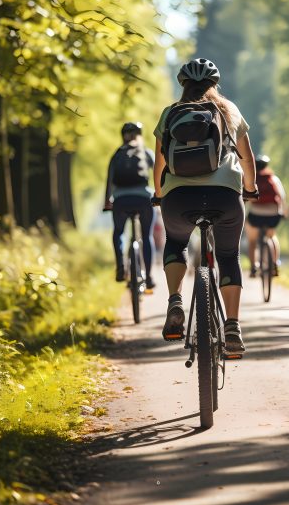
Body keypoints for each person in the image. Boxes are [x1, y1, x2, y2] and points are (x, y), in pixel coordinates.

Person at [152, 57, 258, 355]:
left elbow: (160, 161)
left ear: (183, 85)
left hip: (178, 197)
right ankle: (233, 327)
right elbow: (247, 159)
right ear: (215, 84)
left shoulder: (171, 113)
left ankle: (175, 301)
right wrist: (249, 189)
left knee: (175, 241)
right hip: (224, 196)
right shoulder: (228, 110)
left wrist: (160, 195)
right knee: (227, 255)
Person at [103, 121, 156, 290]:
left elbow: (109, 181)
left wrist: (107, 201)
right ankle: (148, 277)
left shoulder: (117, 154)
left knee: (118, 232)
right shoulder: (146, 152)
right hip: (144, 200)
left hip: (121, 201)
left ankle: (120, 267)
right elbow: (158, 173)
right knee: (147, 236)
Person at [245, 154, 287, 277]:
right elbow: (282, 197)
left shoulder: (251, 179)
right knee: (272, 236)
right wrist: (283, 213)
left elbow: (246, 197)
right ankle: (275, 264)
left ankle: (253, 268)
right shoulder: (273, 178)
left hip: (255, 215)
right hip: (273, 214)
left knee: (252, 240)